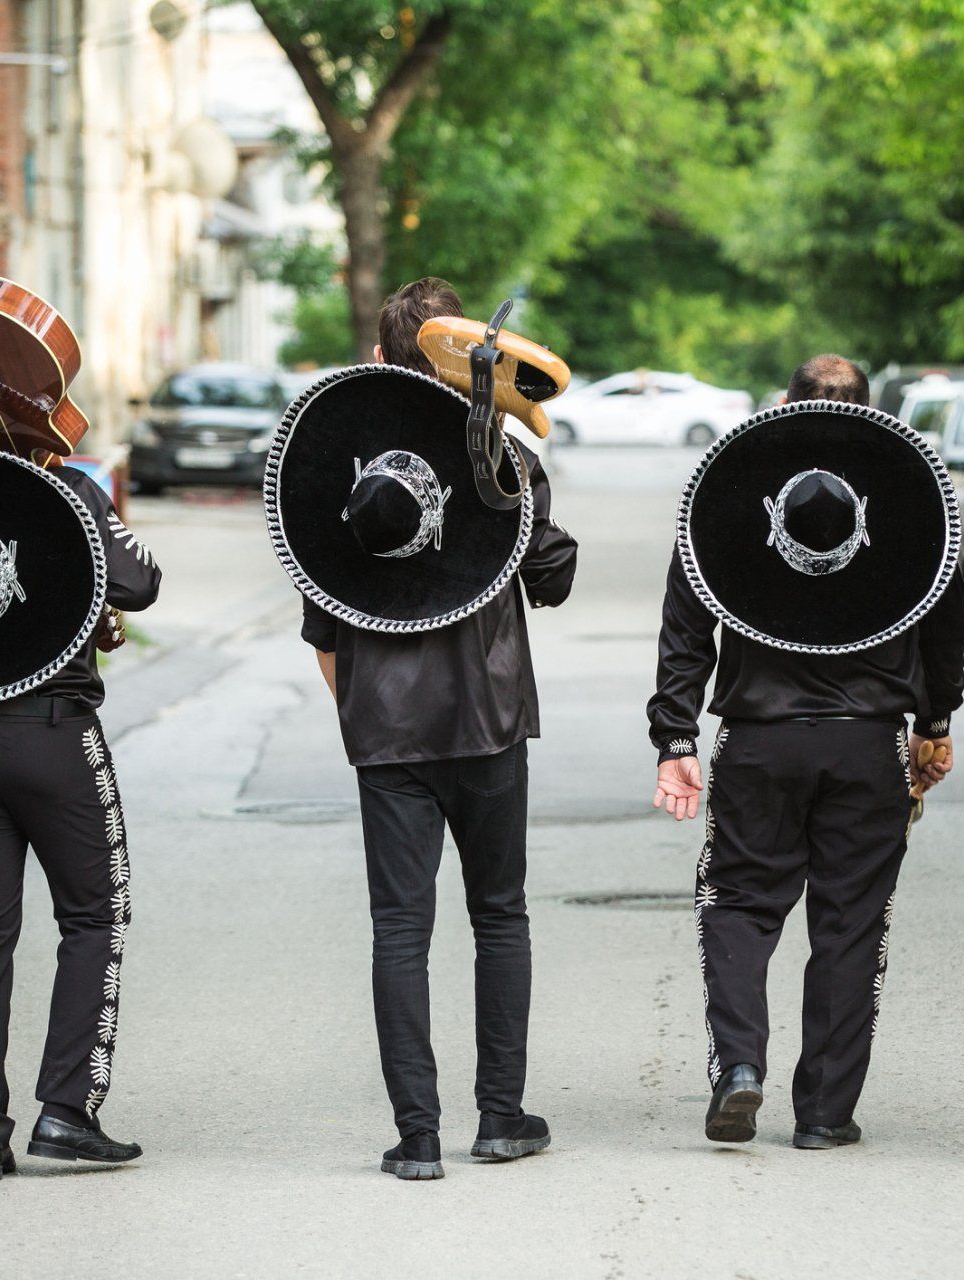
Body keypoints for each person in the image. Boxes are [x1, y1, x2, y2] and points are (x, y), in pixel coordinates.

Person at [649, 354, 964, 1150]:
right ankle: (824, 1112)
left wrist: (676, 735)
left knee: (737, 903)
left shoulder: (729, 491)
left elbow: (686, 623)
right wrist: (934, 721)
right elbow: (944, 622)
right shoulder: (913, 498)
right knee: (852, 924)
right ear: (872, 409)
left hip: (760, 737)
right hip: (869, 740)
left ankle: (738, 1065)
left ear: (786, 405)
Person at [300, 277, 578, 1181]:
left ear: (383, 357)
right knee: (499, 915)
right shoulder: (500, 458)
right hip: (488, 723)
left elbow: (323, 628)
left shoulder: (343, 468)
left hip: (386, 733)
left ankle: (416, 1136)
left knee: (399, 929)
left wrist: (363, 716)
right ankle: (501, 1118)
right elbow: (553, 577)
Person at [0, 468, 162, 1179]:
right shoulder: (67, 487)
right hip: (53, 734)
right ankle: (66, 1109)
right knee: (95, 915)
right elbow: (140, 582)